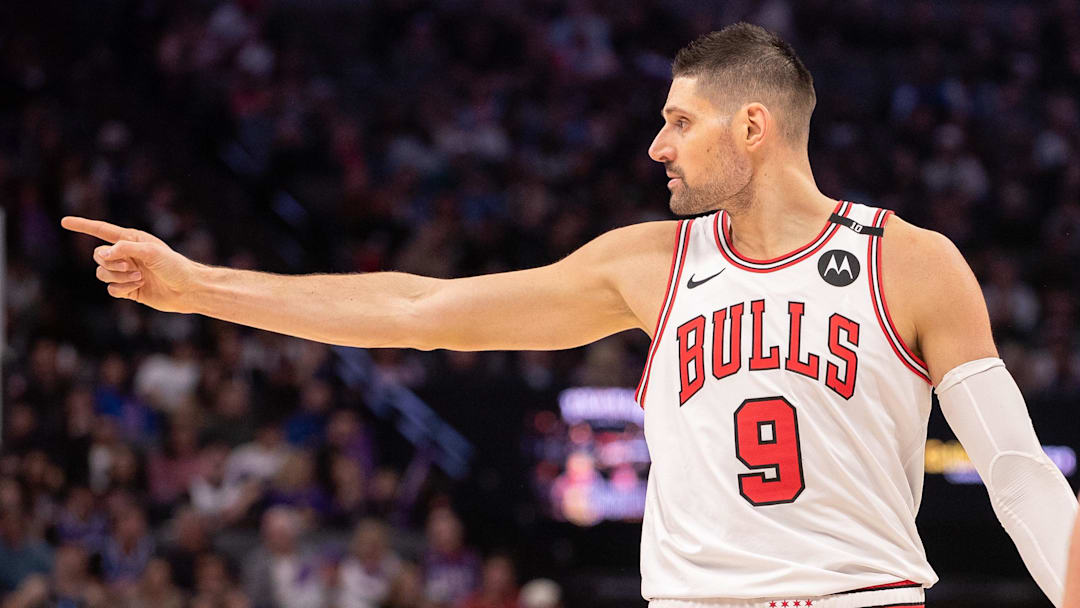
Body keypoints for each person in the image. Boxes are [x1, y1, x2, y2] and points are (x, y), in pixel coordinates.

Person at [60, 21, 1077, 608]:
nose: (657, 145)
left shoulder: (912, 262)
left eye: (679, 120)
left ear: (752, 126)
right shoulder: (647, 264)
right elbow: (420, 308)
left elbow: (1021, 477)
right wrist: (201, 286)